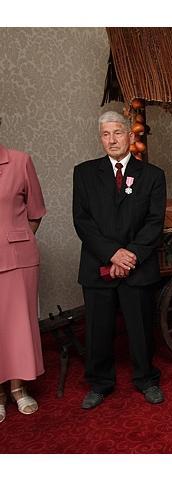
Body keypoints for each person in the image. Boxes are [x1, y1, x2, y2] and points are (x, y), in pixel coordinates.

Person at [72, 111, 167, 410]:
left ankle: (146, 379)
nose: (112, 140)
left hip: (138, 266)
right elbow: (82, 221)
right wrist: (112, 254)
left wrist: (130, 255)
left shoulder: (153, 175)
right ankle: (99, 383)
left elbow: (154, 222)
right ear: (100, 138)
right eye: (105, 134)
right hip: (97, 264)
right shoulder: (84, 173)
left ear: (130, 135)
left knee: (141, 329)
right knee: (97, 329)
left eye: (117, 133)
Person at [0, 126, 47, 423]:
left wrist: (16, 240)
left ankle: (19, 388)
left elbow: (36, 212)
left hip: (19, 259)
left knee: (19, 325)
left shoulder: (20, 161)